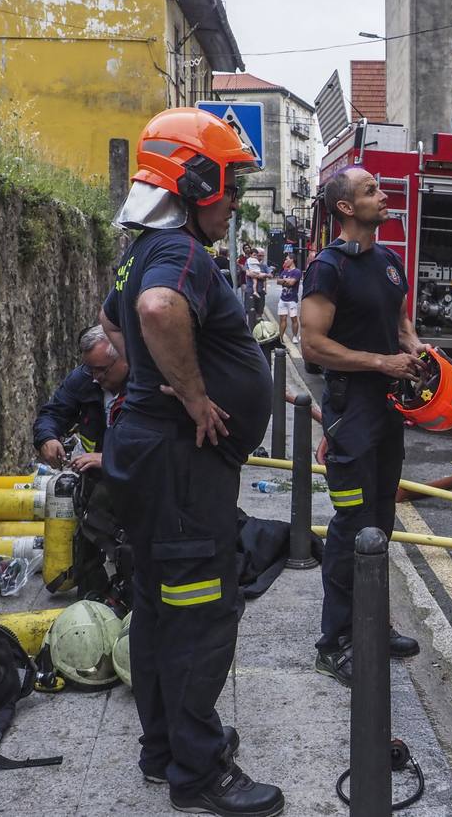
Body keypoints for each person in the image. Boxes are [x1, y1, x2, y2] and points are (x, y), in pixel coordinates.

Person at [99, 107, 283, 817]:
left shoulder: (142, 244)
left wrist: (152, 388)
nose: (235, 202)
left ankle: (165, 749)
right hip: (182, 460)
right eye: (230, 186)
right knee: (201, 610)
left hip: (149, 451)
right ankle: (200, 772)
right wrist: (197, 397)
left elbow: (111, 323)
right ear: (194, 178)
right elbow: (151, 311)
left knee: (154, 601)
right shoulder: (176, 252)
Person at [300, 166, 425, 686]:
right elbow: (312, 345)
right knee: (352, 527)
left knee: (381, 524)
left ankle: (372, 626)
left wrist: (414, 350)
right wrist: (381, 363)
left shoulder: (390, 262)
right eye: (371, 189)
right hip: (352, 413)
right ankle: (335, 643)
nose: (383, 193)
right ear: (346, 208)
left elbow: (400, 325)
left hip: (388, 413)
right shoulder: (327, 268)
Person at [32, 324, 129, 472]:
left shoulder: (146, 389)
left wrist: (109, 459)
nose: (96, 377)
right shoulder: (83, 378)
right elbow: (54, 413)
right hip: (93, 476)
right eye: (90, 369)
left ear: (125, 358)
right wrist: (47, 438)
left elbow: (153, 447)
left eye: (102, 370)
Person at [276, 254, 302, 344]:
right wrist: (287, 281)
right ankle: (281, 337)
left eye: (287, 259)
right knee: (282, 318)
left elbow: (292, 283)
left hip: (292, 299)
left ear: (292, 260)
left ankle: (294, 336)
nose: (285, 261)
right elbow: (278, 281)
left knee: (294, 318)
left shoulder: (297, 271)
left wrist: (284, 281)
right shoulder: (284, 271)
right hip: (282, 299)